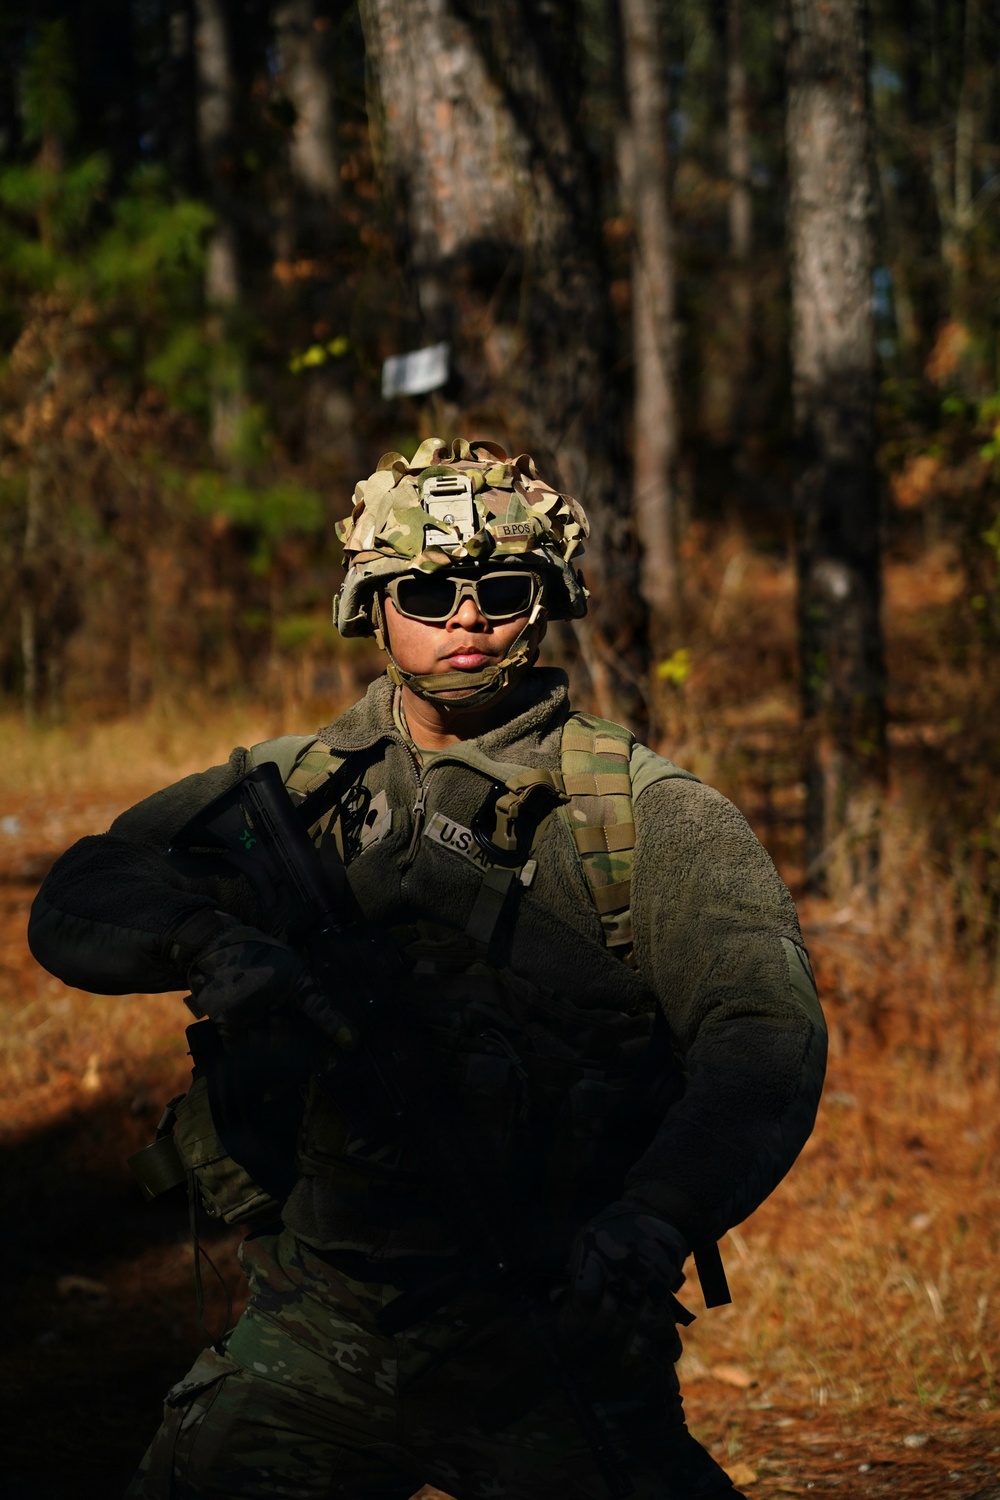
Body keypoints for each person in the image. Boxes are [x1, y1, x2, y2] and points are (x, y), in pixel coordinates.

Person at [28, 437, 826, 1500]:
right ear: (372, 606)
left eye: (498, 589)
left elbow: (763, 1035)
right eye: (428, 591)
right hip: (320, 1339)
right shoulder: (294, 793)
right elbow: (83, 894)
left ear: (544, 602)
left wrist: (655, 1217)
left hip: (553, 1348)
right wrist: (214, 941)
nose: (466, 619)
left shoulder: (643, 818)